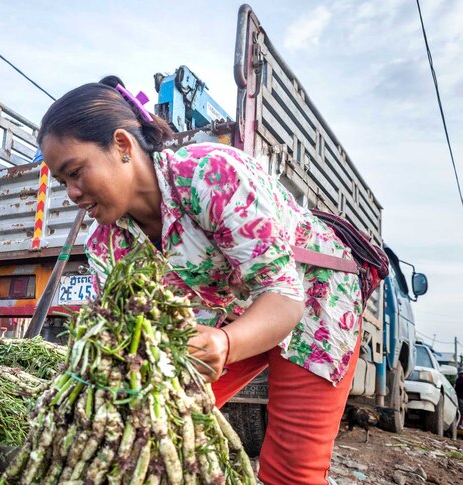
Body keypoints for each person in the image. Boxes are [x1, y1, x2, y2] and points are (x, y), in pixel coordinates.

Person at [38, 77, 364, 485]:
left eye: (75, 172)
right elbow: (127, 345)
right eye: (62, 182)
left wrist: (224, 343)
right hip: (243, 310)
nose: (70, 193)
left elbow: (282, 296)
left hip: (313, 303)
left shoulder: (210, 175)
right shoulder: (109, 244)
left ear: (122, 145)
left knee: (291, 473)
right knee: (155, 421)